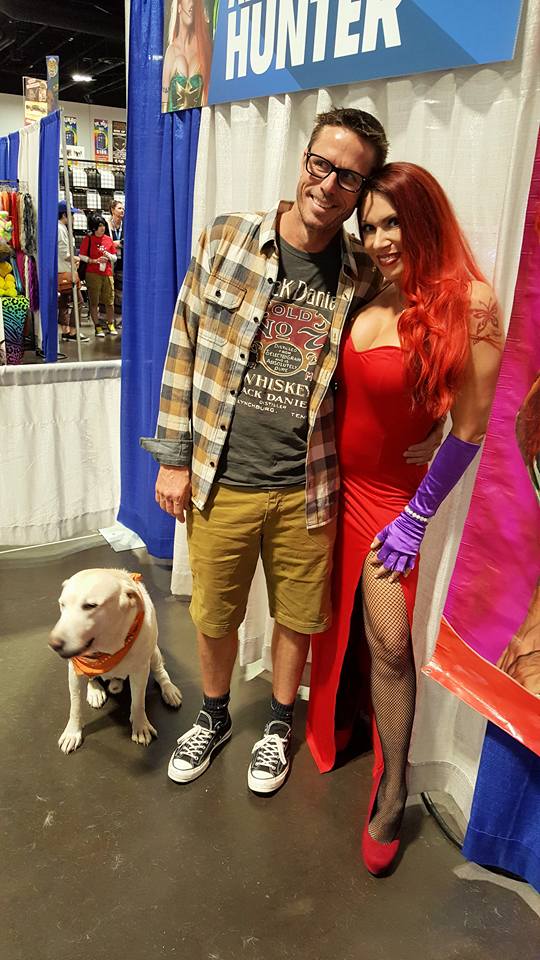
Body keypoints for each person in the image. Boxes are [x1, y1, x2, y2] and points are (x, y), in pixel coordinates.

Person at [141, 108, 441, 795]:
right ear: (304, 160)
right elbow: (182, 345)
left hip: (311, 484)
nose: (329, 185)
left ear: (361, 192)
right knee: (215, 613)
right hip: (221, 475)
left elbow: (416, 329)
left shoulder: (361, 271)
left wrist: (442, 411)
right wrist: (173, 456)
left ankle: (278, 723)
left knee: (298, 616)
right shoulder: (228, 237)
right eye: (321, 165)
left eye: (349, 178)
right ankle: (215, 714)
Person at [306, 162, 503, 875]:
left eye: (393, 222)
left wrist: (418, 516)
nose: (380, 239)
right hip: (333, 487)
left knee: (390, 642)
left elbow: (473, 426)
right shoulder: (368, 286)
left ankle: (393, 791)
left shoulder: (471, 302)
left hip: (395, 500)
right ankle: (339, 718)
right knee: (327, 618)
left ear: (425, 218)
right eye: (370, 226)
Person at [162, 0, 212, 111]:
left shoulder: (204, 47)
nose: (192, 4)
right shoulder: (171, 52)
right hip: (175, 119)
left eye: (194, 1)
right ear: (179, 7)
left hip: (198, 117)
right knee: (179, 61)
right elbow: (164, 101)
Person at [79, 216, 118, 338]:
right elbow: (81, 256)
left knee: (110, 301)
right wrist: (94, 260)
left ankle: (111, 324)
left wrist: (107, 255)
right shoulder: (88, 239)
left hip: (107, 273)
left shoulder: (108, 239)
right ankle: (97, 326)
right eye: (99, 226)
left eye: (103, 225)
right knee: (94, 301)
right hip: (92, 273)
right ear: (94, 227)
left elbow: (114, 257)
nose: (102, 228)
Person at [57, 200, 89, 343]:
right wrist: (76, 258)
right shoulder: (61, 229)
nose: (74, 218)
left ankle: (66, 330)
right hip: (66, 271)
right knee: (79, 301)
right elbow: (64, 253)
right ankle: (73, 331)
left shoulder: (59, 228)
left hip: (62, 271)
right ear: (65, 215)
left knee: (64, 302)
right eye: (72, 214)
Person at [105, 201, 124, 320]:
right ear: (112, 210)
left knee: (120, 294)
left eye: (123, 209)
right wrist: (113, 244)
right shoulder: (105, 225)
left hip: (121, 263)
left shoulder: (126, 225)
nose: (122, 211)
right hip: (108, 264)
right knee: (108, 293)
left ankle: (118, 320)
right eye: (119, 208)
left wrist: (121, 243)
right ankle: (106, 320)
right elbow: (101, 242)